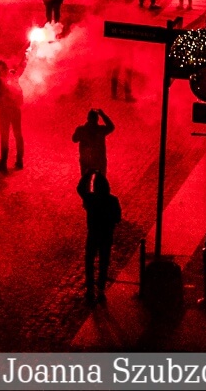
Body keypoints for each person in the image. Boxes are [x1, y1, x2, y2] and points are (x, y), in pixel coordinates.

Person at [78, 172, 121, 300]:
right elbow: (118, 218)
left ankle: (90, 288)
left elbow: (80, 188)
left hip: (93, 234)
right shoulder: (113, 200)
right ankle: (101, 289)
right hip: (106, 235)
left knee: (89, 261)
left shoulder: (91, 199)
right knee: (104, 262)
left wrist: (88, 174)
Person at [0, 61, 24, 170]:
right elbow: (21, 69)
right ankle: (19, 161)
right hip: (15, 110)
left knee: (6, 137)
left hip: (6, 111)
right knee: (17, 135)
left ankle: (4, 162)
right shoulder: (12, 76)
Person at [72, 108, 114, 180]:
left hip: (86, 161)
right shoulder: (101, 130)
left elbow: (74, 139)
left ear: (88, 118)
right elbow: (111, 127)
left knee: (86, 183)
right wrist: (103, 115)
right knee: (100, 183)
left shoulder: (81, 130)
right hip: (99, 160)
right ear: (97, 119)